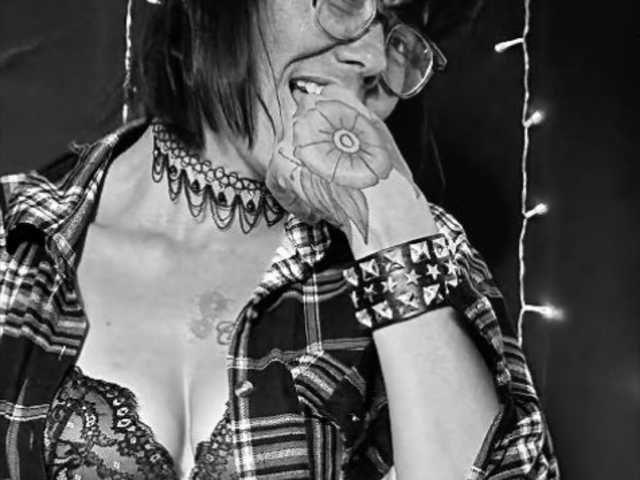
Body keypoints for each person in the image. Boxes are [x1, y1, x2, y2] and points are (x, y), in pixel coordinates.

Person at [0, 0, 559, 479]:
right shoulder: (17, 236)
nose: (371, 59)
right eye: (345, 1)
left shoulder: (426, 255)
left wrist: (389, 222)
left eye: (396, 36)